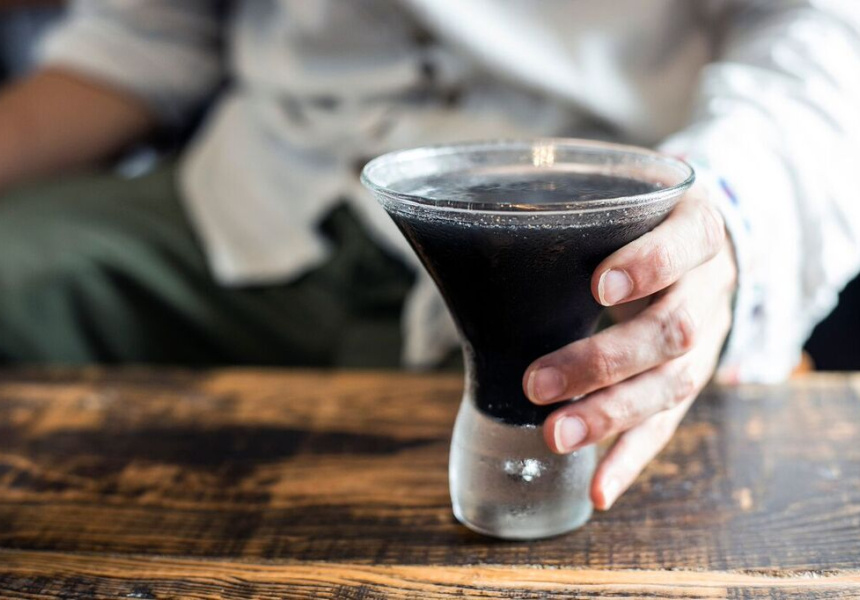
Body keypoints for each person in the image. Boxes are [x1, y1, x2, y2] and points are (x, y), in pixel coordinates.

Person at [1, 1, 859, 512]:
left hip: (601, 231)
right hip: (261, 182)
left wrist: (726, 218)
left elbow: (823, 40)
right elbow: (142, 41)